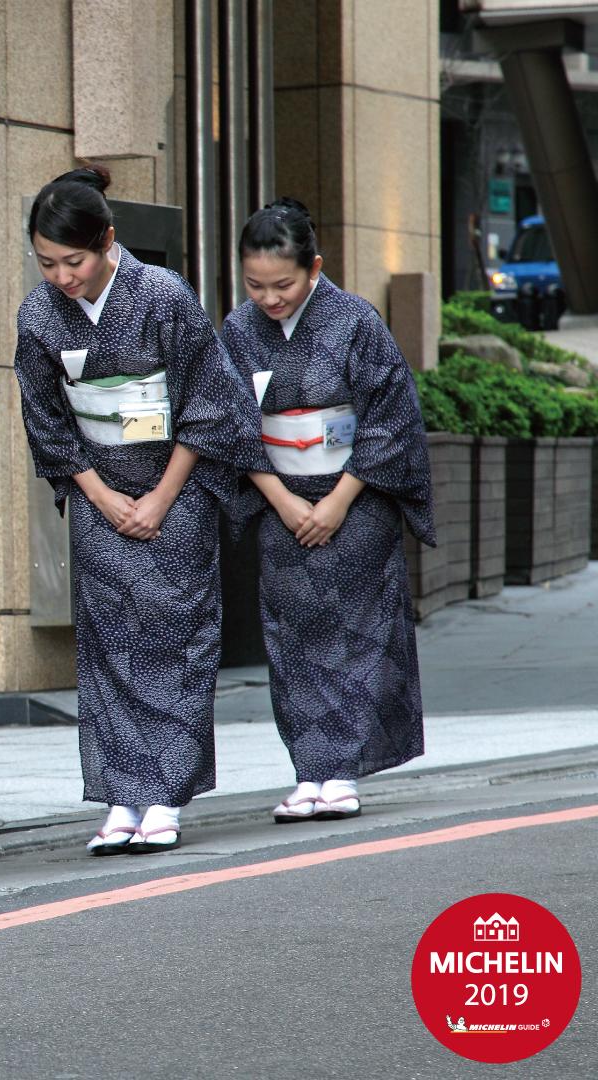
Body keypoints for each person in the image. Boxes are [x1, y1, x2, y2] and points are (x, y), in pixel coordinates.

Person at [12, 165, 267, 855]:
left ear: (109, 243)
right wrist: (100, 496)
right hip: (99, 492)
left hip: (174, 489)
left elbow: (208, 406)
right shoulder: (38, 316)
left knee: (174, 639)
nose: (62, 277)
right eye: (47, 263)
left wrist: (159, 496)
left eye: (74, 260)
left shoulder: (162, 296)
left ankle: (165, 797)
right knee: (108, 645)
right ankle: (122, 795)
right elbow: (49, 422)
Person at [223, 198, 432, 824]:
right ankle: (307, 769)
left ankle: (340, 770)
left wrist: (339, 500)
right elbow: (232, 428)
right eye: (255, 284)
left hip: (355, 497)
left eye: (283, 284)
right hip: (278, 499)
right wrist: (284, 501)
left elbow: (390, 419)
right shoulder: (237, 330)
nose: (269, 298)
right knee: (292, 634)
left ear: (314, 267)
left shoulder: (354, 321)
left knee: (355, 631)